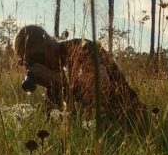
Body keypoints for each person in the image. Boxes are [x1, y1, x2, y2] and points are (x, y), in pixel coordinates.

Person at [14, 25, 143, 122]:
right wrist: (51, 84)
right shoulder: (56, 68)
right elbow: (54, 118)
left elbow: (102, 89)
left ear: (48, 45)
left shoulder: (81, 48)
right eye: (27, 62)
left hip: (128, 117)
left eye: (36, 58)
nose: (35, 65)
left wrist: (56, 80)